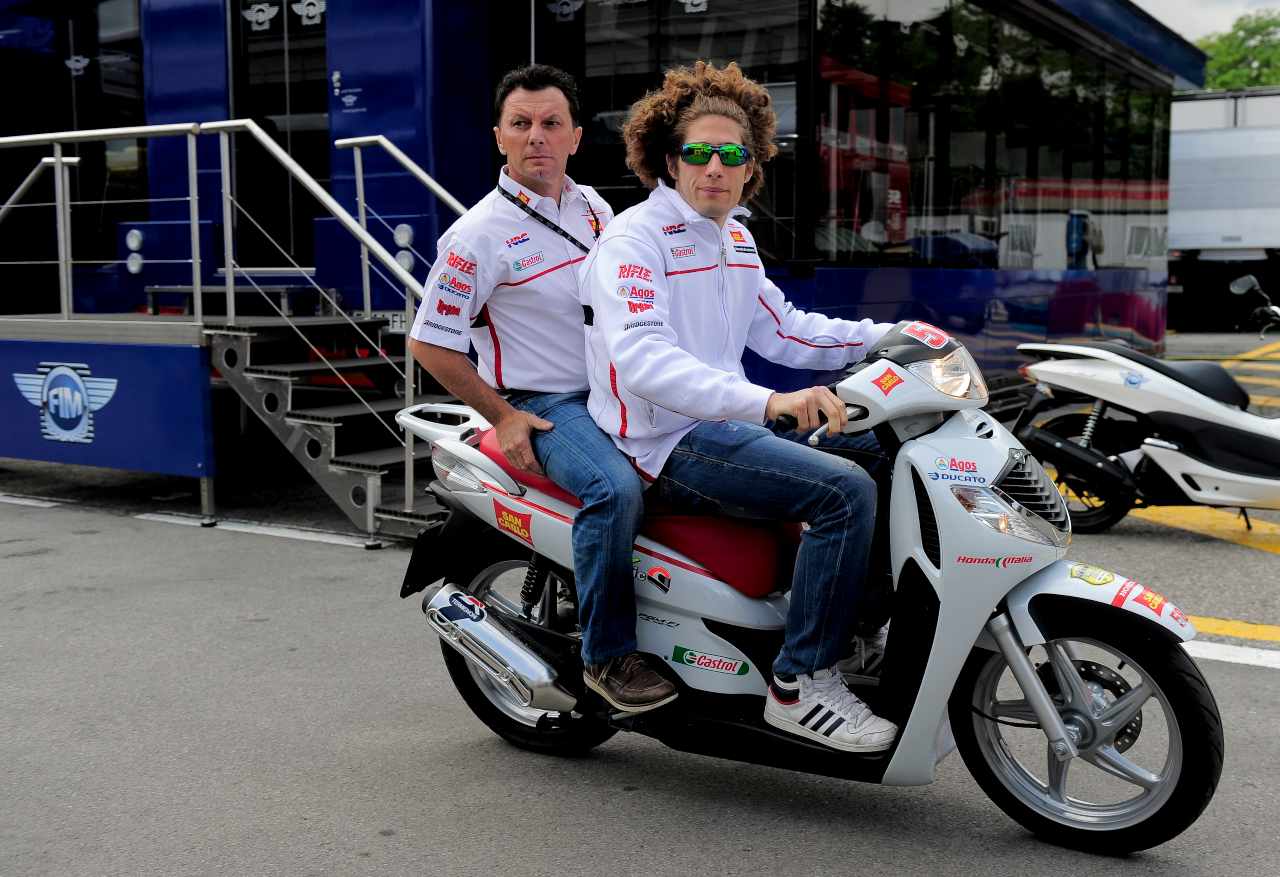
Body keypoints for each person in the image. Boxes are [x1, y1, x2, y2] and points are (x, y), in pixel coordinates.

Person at [580, 61, 898, 752]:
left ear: (753, 166)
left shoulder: (734, 237)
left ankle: (853, 633)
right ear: (669, 161)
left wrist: (889, 338)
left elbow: (784, 329)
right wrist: (771, 401)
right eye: (699, 153)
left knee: (885, 454)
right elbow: (644, 361)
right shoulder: (633, 241)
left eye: (733, 154)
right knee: (842, 492)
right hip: (666, 440)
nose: (715, 167)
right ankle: (800, 681)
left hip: (724, 420)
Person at [408, 64, 676, 714]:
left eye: (551, 124)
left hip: (614, 390)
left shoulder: (594, 208)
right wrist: (502, 416)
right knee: (613, 490)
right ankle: (607, 657)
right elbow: (429, 342)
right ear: (499, 136)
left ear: (576, 136)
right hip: (543, 403)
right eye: (521, 124)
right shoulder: (476, 237)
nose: (537, 137)